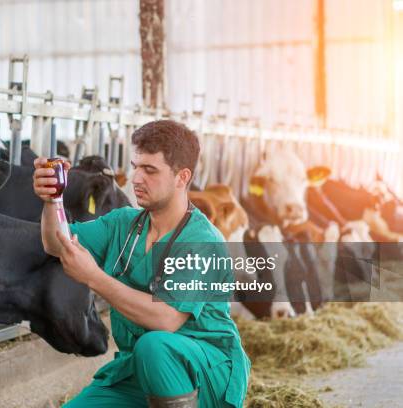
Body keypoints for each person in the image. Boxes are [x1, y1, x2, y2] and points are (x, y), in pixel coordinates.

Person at [33, 120, 250, 408]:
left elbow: (166, 319)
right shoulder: (123, 224)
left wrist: (94, 278)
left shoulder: (201, 240)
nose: (136, 178)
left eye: (150, 170)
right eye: (135, 166)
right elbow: (56, 244)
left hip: (204, 374)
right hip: (139, 369)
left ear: (182, 177)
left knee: (155, 345)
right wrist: (53, 200)